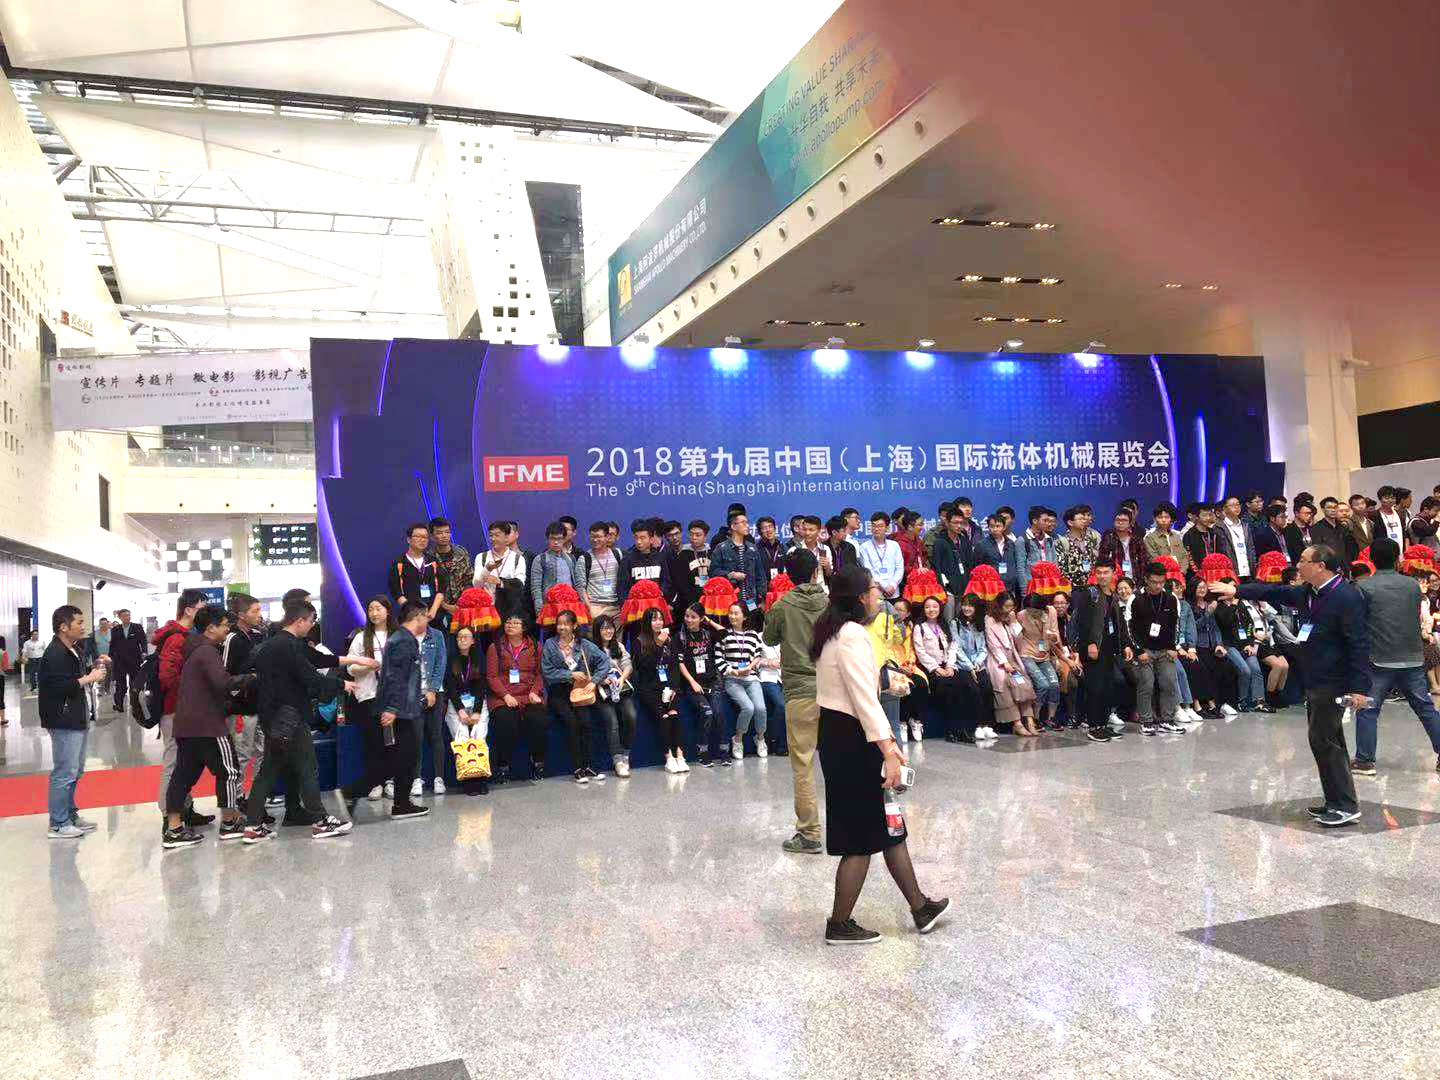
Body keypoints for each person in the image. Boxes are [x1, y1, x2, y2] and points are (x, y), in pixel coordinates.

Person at [811, 565, 949, 945]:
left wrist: (885, 682)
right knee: (861, 836)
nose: (878, 595)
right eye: (873, 589)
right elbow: (863, 700)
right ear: (860, 597)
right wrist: (888, 748)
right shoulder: (853, 634)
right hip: (854, 740)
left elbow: (852, 685)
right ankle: (839, 924)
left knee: (890, 828)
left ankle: (920, 907)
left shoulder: (831, 630)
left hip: (839, 734)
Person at [1214, 544, 1370, 826]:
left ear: (1320, 566)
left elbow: (1359, 643)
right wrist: (1237, 590)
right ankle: (1335, 801)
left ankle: (1345, 805)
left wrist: (1359, 688)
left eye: (1303, 560)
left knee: (1325, 740)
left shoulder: (1347, 596)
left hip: (1333, 680)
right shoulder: (1310, 592)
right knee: (1326, 740)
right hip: (1315, 676)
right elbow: (1274, 592)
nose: (1297, 565)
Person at [243, 600, 357, 842]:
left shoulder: (271, 645)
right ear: (300, 621)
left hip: (271, 717)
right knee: (307, 767)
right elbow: (310, 677)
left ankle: (252, 825)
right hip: (291, 717)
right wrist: (341, 684)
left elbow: (315, 660)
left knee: (268, 770)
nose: (311, 626)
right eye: (310, 621)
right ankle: (320, 821)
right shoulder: (289, 647)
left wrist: (351, 661)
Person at [1348, 537, 1440, 776]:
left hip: (1378, 658)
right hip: (1412, 656)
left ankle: (1365, 761)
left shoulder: (1364, 587)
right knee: (1426, 708)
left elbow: (1357, 624)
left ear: (1372, 560)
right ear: (1398, 558)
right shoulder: (1412, 586)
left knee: (1368, 709)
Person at [161, 606, 250, 848]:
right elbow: (222, 683)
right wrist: (249, 679)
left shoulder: (193, 649)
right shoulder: (207, 651)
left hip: (186, 723)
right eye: (224, 625)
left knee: (183, 775)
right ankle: (230, 823)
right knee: (229, 772)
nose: (227, 629)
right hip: (208, 723)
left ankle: (174, 828)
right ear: (211, 628)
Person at [340, 599, 430, 823]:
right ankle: (356, 792)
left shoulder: (399, 638)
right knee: (403, 757)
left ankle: (400, 803)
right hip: (400, 710)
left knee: (400, 757)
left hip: (402, 708)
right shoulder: (404, 641)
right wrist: (391, 708)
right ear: (418, 617)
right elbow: (396, 677)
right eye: (426, 617)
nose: (427, 621)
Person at [764, 549, 827, 854]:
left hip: (800, 691)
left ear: (788, 576)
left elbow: (769, 638)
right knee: (840, 762)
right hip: (834, 691)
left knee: (803, 764)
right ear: (816, 571)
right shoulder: (830, 603)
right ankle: (849, 826)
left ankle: (810, 834)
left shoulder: (783, 605)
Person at [39, 605, 110, 839]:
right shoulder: (54, 653)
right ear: (63, 626)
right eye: (79, 622)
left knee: (75, 771)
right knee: (64, 771)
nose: (83, 626)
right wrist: (89, 678)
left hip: (77, 717)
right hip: (63, 720)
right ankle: (58, 823)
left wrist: (94, 668)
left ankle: (69, 814)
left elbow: (75, 677)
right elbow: (58, 687)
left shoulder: (74, 649)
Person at [154, 589, 210, 826]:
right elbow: (167, 676)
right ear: (188, 610)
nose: (205, 613)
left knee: (184, 762)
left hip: (183, 708)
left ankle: (184, 808)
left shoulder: (187, 635)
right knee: (174, 762)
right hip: (175, 709)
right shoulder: (177, 638)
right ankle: (169, 816)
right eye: (202, 608)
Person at [540, 610, 612, 784]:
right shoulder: (550, 644)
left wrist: (594, 681)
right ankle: (578, 768)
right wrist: (569, 675)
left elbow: (604, 661)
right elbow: (547, 672)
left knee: (586, 723)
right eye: (559, 624)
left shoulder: (584, 644)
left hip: (580, 691)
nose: (562, 627)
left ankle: (590, 766)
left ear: (574, 626)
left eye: (566, 624)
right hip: (559, 692)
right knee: (572, 724)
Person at [1071, 562, 1133, 742]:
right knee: (1095, 687)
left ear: (1113, 574)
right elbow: (1083, 622)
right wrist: (1090, 644)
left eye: (1106, 572)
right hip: (1093, 647)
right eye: (1099, 573)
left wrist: (1125, 644)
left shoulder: (1113, 595)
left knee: (1108, 687)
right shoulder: (1090, 594)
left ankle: (1103, 725)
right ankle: (1093, 726)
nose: (1102, 576)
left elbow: (1120, 623)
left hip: (1109, 647)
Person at [222, 592, 274, 804]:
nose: (259, 614)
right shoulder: (232, 639)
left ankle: (259, 796)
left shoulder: (259, 636)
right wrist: (246, 681)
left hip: (261, 704)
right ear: (242, 614)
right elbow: (224, 675)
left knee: (263, 751)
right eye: (255, 611)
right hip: (241, 708)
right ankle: (238, 798)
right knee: (241, 754)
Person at [343, 597, 394, 801]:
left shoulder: (397, 635)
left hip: (392, 696)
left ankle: (391, 781)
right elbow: (350, 668)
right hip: (369, 695)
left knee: (391, 740)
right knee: (373, 741)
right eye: (371, 609)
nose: (374, 613)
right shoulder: (360, 637)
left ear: (387, 611)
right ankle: (375, 783)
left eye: (378, 608)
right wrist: (368, 666)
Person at [485, 613, 547, 782]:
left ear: (524, 627)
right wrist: (505, 695)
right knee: (506, 721)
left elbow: (540, 674)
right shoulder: (495, 647)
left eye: (515, 623)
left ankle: (538, 763)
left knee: (538, 719)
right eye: (507, 622)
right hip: (503, 697)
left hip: (529, 695)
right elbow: (492, 676)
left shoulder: (535, 646)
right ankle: (503, 766)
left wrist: (535, 691)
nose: (510, 625)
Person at [1128, 562, 1187, 736]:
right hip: (1144, 649)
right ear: (1146, 580)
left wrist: (1174, 646)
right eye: (1154, 582)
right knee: (1146, 684)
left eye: (1161, 582)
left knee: (1169, 683)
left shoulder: (1171, 598)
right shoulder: (1136, 598)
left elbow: (1176, 624)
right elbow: (1129, 627)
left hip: (1165, 649)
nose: (1158, 586)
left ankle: (1167, 720)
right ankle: (1146, 722)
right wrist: (1138, 650)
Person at [912, 596, 971, 743]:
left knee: (964, 684)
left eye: (935, 606)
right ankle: (951, 730)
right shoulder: (919, 628)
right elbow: (920, 652)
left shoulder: (944, 625)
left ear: (940, 609)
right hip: (931, 669)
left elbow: (953, 647)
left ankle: (963, 729)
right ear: (923, 610)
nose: (931, 610)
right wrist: (937, 669)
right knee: (947, 688)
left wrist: (950, 665)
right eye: (928, 607)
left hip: (948, 665)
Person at [674, 602, 727, 767]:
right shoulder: (680, 637)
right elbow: (680, 663)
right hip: (692, 684)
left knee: (719, 713)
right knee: (707, 713)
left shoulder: (707, 634)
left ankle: (724, 751)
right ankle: (702, 751)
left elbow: (723, 632)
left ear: (701, 619)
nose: (689, 620)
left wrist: (708, 621)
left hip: (712, 681)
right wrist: (692, 682)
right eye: (687, 616)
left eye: (693, 617)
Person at [441, 626, 490, 795]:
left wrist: (477, 711)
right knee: (461, 738)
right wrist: (460, 710)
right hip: (456, 704)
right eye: (459, 637)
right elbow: (450, 687)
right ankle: (468, 780)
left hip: (477, 703)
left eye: (466, 636)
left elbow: (481, 687)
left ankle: (481, 778)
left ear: (473, 641)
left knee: (479, 737)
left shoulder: (479, 659)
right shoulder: (450, 659)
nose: (462, 639)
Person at [986, 592, 1041, 737]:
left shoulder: (1010, 618)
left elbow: (1019, 640)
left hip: (1013, 659)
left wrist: (1014, 621)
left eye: (1012, 606)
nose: (1009, 609)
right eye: (1006, 606)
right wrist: (1004, 662)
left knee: (1023, 684)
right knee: (1004, 685)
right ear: (999, 605)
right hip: (998, 661)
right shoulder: (990, 619)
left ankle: (1030, 721)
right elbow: (993, 644)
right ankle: (1017, 724)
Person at [719, 602, 767, 759]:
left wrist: (749, 667)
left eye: (736, 613)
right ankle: (738, 739)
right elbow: (719, 658)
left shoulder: (753, 634)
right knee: (748, 708)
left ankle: (760, 738)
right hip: (733, 679)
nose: (732, 616)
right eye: (730, 613)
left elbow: (758, 654)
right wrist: (733, 671)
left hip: (751, 677)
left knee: (760, 708)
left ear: (744, 616)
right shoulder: (724, 634)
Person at [590, 615, 637, 777]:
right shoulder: (591, 648)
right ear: (597, 631)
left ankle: (625, 754)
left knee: (631, 715)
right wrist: (602, 680)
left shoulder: (619, 646)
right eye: (604, 628)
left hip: (620, 688)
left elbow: (628, 665)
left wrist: (622, 678)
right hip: (601, 691)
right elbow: (587, 671)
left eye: (610, 628)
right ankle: (617, 761)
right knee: (612, 721)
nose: (608, 631)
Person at [411, 611, 449, 799]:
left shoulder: (437, 635)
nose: (420, 620)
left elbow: (441, 663)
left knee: (436, 735)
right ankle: (416, 779)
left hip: (435, 692)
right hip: (413, 693)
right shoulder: (405, 636)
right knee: (415, 737)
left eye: (423, 616)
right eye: (416, 617)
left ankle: (439, 778)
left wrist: (432, 690)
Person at [1018, 594, 1064, 731]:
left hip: (1044, 653)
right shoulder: (1021, 615)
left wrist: (1053, 638)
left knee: (1054, 684)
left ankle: (1051, 718)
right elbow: (1017, 638)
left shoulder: (1051, 612)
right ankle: (1035, 718)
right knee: (1043, 684)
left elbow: (1056, 634)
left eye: (1035, 611)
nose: (1032, 614)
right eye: (1030, 611)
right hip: (1027, 653)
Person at [952, 595, 995, 739]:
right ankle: (976, 725)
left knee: (987, 688)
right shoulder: (956, 623)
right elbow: (957, 648)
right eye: (964, 604)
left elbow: (983, 648)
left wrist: (977, 663)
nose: (966, 608)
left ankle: (986, 725)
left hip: (978, 664)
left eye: (970, 605)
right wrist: (970, 666)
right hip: (962, 666)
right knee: (974, 690)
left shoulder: (980, 623)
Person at [710, 511, 768, 617]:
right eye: (743, 522)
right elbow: (713, 572)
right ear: (733, 526)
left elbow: (760, 576)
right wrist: (730, 575)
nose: (747, 525)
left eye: (747, 522)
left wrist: (763, 599)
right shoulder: (721, 548)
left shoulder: (752, 548)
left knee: (752, 624)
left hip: (751, 600)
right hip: (730, 601)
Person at [388, 522, 443, 621]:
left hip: (433, 615)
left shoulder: (433, 561)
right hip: (410, 617)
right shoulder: (399, 563)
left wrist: (433, 610)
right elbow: (396, 592)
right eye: (418, 536)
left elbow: (441, 588)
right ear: (409, 540)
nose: (422, 540)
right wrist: (412, 611)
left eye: (425, 537)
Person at [475, 521, 528, 620]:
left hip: (509, 609)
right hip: (486, 611)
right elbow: (476, 585)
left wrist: (500, 582)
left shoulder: (517, 558)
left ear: (506, 537)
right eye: (491, 535)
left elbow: (520, 585)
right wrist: (487, 569)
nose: (493, 539)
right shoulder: (481, 557)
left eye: (497, 535)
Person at [427, 516, 472, 633]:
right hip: (439, 610)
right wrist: (446, 606)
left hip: (463, 607)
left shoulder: (461, 552)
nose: (444, 536)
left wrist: (462, 603)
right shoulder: (428, 558)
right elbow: (427, 587)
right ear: (432, 536)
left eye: (447, 532)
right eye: (439, 533)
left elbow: (469, 579)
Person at [616, 518, 671, 606]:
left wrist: (661, 594)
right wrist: (627, 605)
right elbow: (622, 587)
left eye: (642, 538)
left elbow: (666, 582)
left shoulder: (660, 557)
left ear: (651, 539)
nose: (639, 542)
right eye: (636, 538)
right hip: (635, 606)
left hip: (656, 603)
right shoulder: (627, 560)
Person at [857, 512, 905, 601]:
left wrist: (893, 585)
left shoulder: (894, 545)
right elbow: (868, 569)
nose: (876, 529)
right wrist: (885, 586)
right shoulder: (864, 547)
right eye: (873, 526)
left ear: (887, 528)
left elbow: (899, 568)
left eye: (880, 526)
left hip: (894, 592)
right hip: (876, 592)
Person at [930, 507, 973, 602]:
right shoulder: (940, 542)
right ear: (947, 523)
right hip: (948, 590)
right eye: (955, 523)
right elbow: (937, 568)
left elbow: (970, 564)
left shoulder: (964, 541)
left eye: (961, 523)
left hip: (964, 587)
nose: (959, 526)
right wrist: (943, 588)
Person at [974, 514, 1022, 597]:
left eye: (998, 526)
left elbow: (1015, 563)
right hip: (990, 588)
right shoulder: (981, 545)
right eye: (992, 526)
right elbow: (977, 567)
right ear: (988, 527)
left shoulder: (1011, 544)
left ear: (1004, 527)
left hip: (1010, 587)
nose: (995, 529)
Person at [670, 519, 712, 615]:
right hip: (689, 601)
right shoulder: (682, 555)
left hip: (710, 598)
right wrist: (692, 601)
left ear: (705, 537)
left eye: (698, 535)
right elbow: (680, 583)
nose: (694, 538)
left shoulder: (712, 553)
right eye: (691, 534)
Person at [108, 609, 147, 712]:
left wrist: (144, 652)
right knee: (120, 684)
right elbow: (112, 644)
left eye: (128, 615)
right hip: (120, 660)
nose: (127, 617)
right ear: (120, 617)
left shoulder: (137, 627)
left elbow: (143, 640)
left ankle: (134, 704)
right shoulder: (115, 629)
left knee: (134, 683)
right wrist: (110, 657)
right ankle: (119, 705)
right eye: (124, 616)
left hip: (134, 660)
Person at [1056, 504, 1101, 588]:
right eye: (1080, 519)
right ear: (1070, 522)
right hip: (1072, 587)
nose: (1084, 521)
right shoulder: (1062, 542)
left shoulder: (1091, 539)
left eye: (1084, 519)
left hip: (1091, 585)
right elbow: (1061, 569)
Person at [1016, 506, 1058, 591]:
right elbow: (1020, 568)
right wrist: (1025, 590)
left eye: (1049, 521)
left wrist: (1056, 583)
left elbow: (1054, 562)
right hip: (1033, 586)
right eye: (1045, 521)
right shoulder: (1022, 540)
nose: (1048, 524)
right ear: (1035, 521)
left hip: (1050, 585)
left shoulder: (1049, 539)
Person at [1099, 508, 1147, 582]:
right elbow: (1103, 560)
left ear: (1130, 523)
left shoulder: (1136, 538)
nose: (1120, 522)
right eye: (1118, 520)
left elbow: (1143, 561)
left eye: (1124, 520)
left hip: (1134, 578)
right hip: (1115, 579)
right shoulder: (1108, 538)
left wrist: (1142, 579)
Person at [1144, 501, 1190, 573]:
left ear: (1171, 519)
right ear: (1155, 519)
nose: (1163, 520)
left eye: (1167, 517)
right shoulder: (1150, 538)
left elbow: (1184, 556)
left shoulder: (1176, 536)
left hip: (1179, 574)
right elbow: (1153, 558)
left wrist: (1182, 571)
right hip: (1161, 574)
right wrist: (1167, 572)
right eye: (1160, 517)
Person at [22, 629, 45, 694]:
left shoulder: (41, 642)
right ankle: (33, 687)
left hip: (40, 659)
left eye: (37, 634)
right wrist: (24, 657)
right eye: (34, 634)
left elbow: (44, 650)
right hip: (31, 660)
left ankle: (41, 687)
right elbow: (24, 650)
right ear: (31, 635)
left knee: (40, 674)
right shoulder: (27, 643)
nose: (36, 635)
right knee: (32, 674)